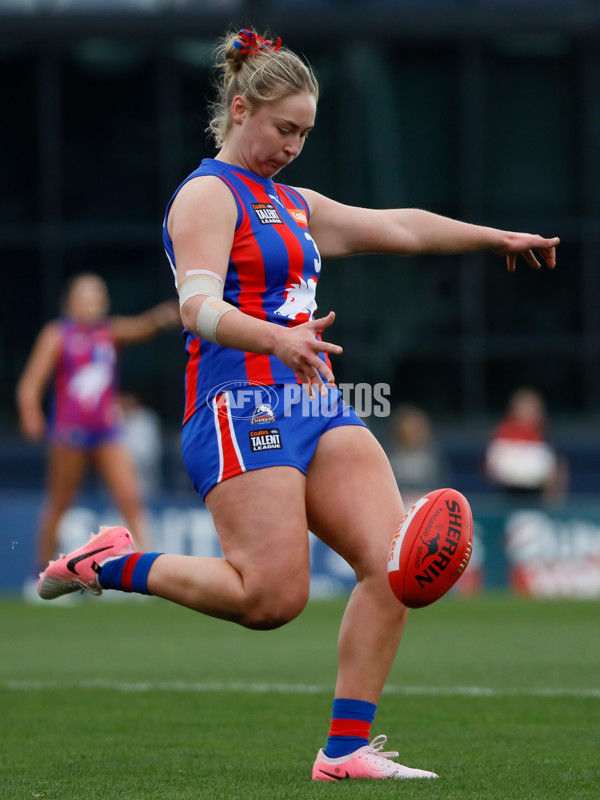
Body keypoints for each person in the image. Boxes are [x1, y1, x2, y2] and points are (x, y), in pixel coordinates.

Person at [37, 29, 559, 780]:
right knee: (270, 599)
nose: (292, 146)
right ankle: (111, 563)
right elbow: (195, 307)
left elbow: (400, 226)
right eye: (284, 129)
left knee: (393, 566)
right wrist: (276, 339)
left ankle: (344, 750)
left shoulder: (293, 203)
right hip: (237, 402)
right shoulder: (206, 196)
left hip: (315, 398)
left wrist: (493, 236)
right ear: (241, 108)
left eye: (305, 135)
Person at [17, 272, 179, 595]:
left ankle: (148, 575)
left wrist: (162, 319)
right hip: (70, 435)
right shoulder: (57, 334)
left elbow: (142, 327)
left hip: (107, 432)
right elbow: (30, 383)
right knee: (59, 504)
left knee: (131, 498)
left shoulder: (109, 332)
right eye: (88, 295)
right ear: (70, 302)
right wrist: (30, 412)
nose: (96, 301)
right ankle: (38, 576)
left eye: (100, 295)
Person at [485, 386, 568, 503]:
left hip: (539, 500)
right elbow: (490, 470)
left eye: (531, 408)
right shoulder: (501, 434)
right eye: (523, 407)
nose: (526, 413)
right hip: (508, 499)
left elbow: (558, 469)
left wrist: (553, 494)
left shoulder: (547, 435)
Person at [387, 404, 451, 506]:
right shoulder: (388, 457)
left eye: (418, 427)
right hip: (399, 507)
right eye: (410, 427)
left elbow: (443, 486)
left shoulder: (434, 457)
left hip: (429, 507)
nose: (415, 431)